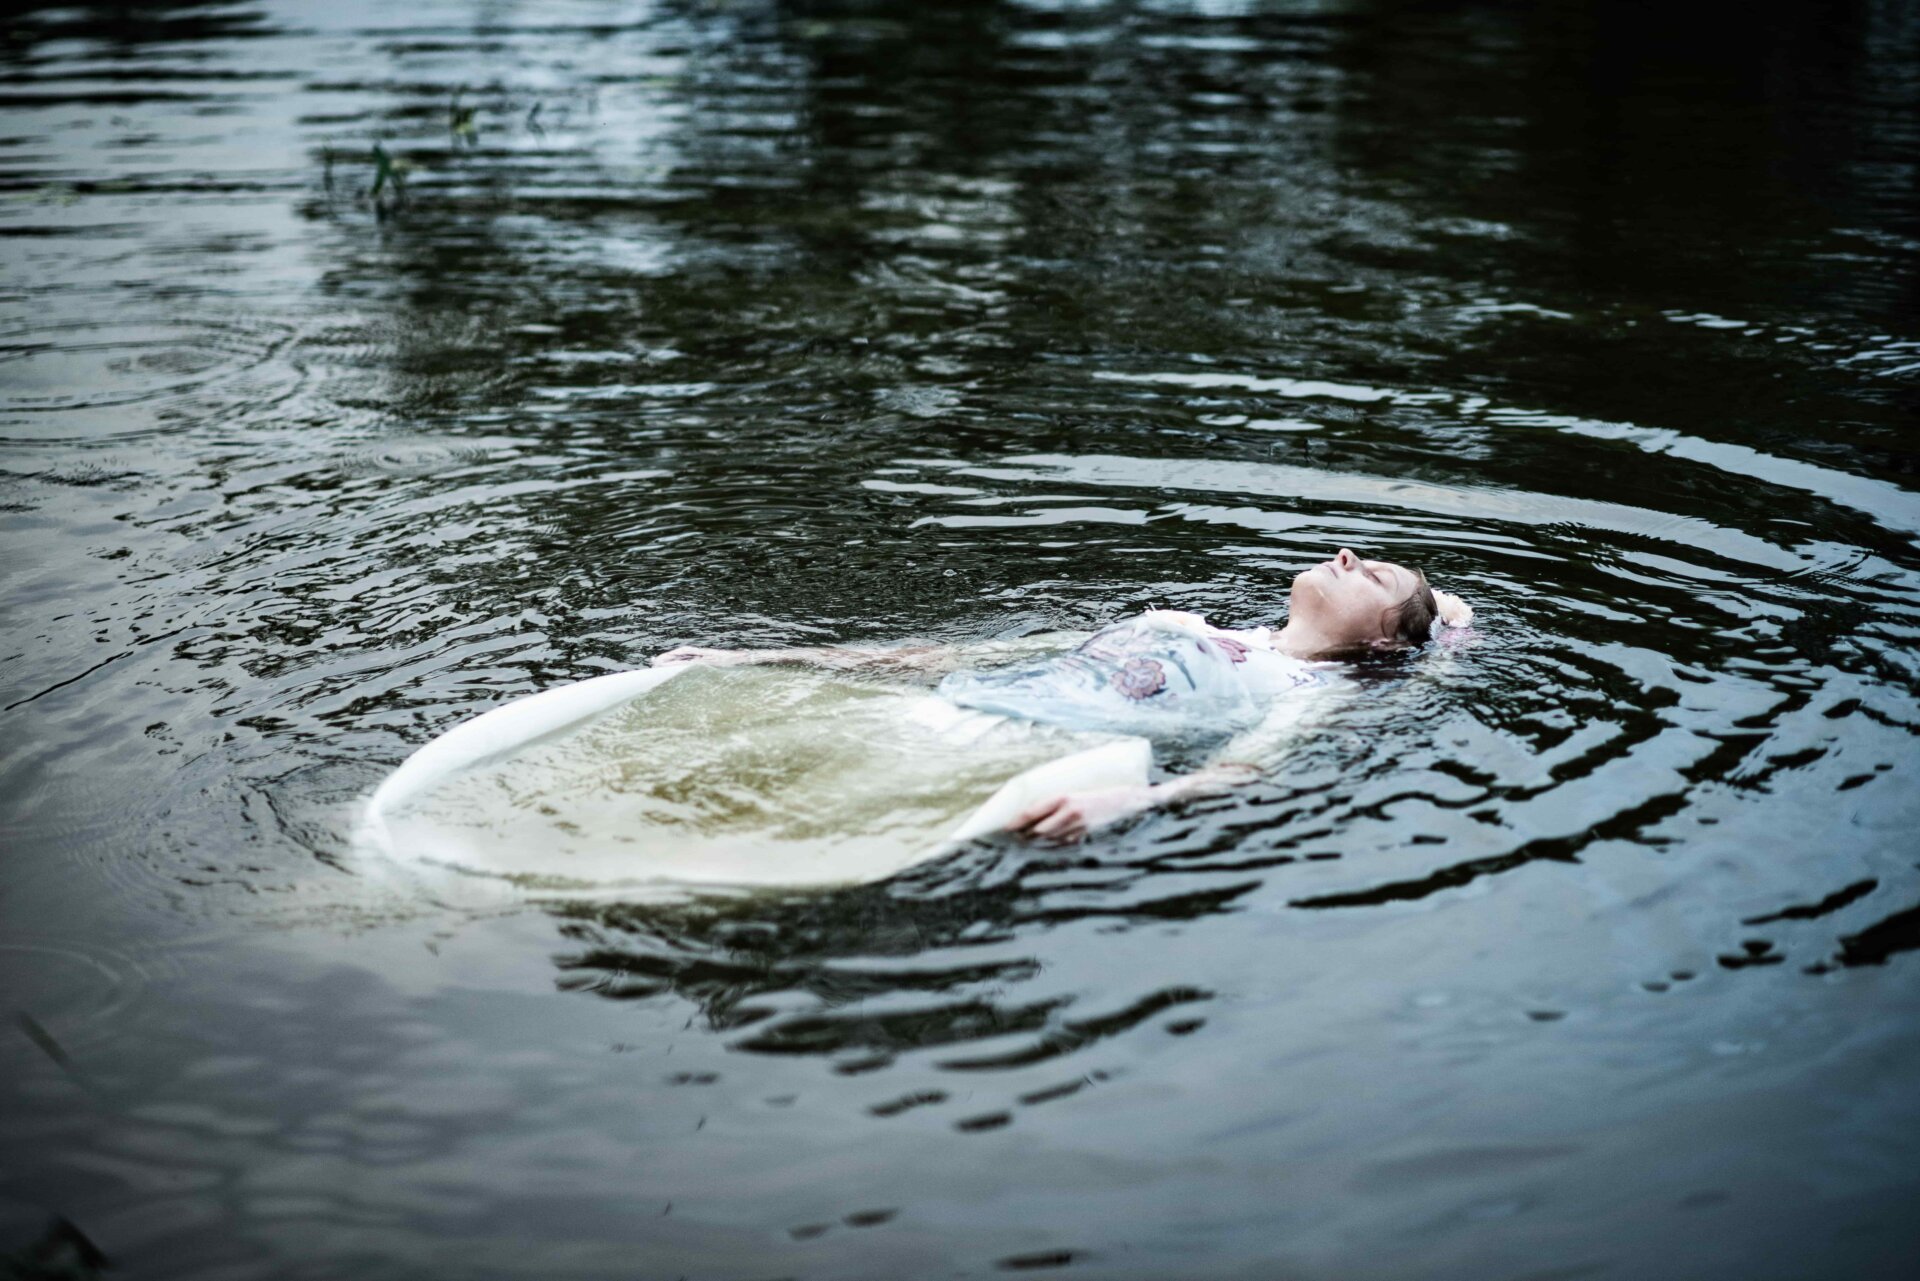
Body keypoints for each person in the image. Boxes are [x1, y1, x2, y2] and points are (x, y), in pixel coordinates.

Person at [652, 548, 1471, 845]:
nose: (1347, 554)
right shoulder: (1188, 621)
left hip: (1013, 751)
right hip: (952, 705)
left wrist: (1131, 800)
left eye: (1374, 576)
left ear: (1383, 644)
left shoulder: (1305, 689)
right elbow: (948, 656)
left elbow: (1246, 769)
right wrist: (758, 656)